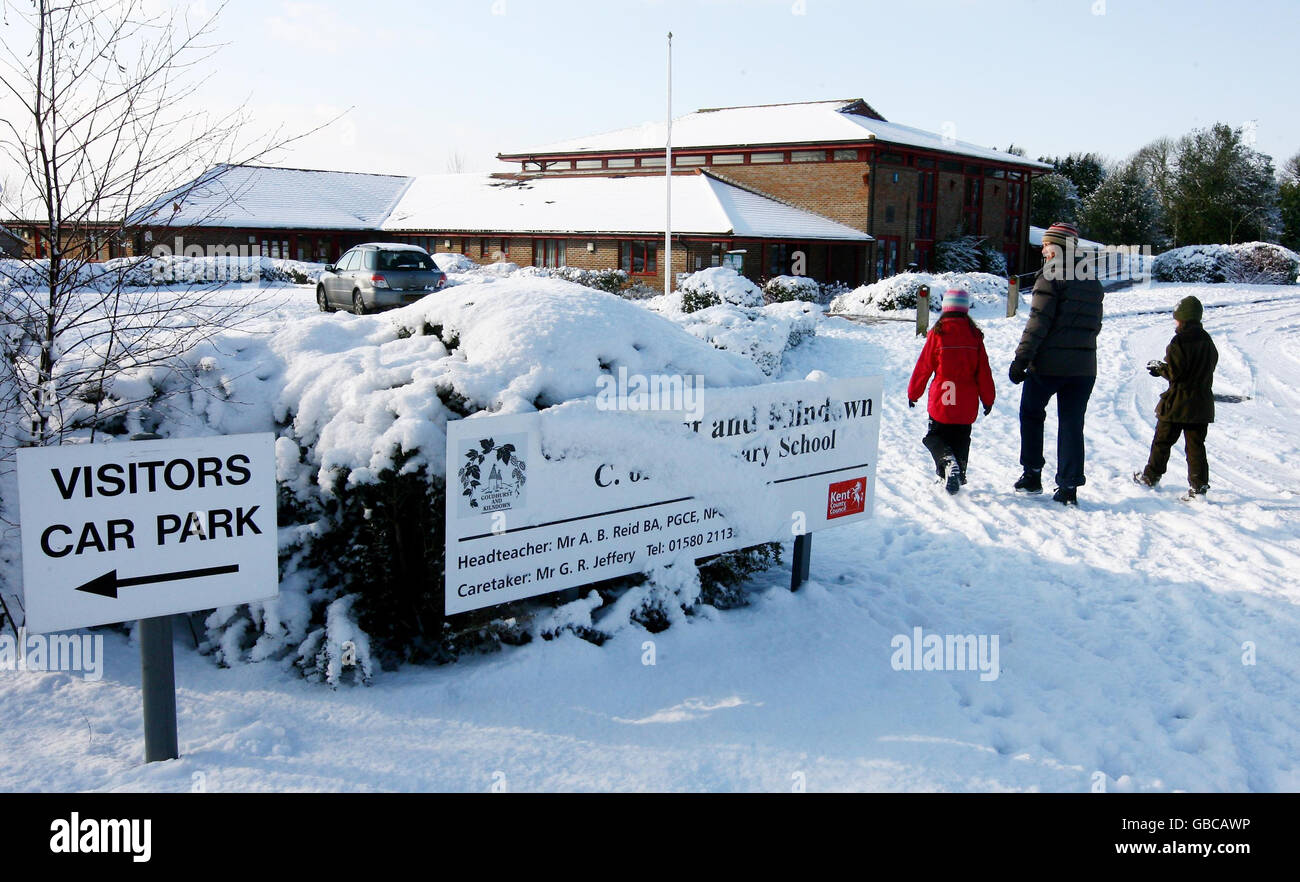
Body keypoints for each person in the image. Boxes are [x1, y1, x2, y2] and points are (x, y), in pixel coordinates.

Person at [1008, 221, 1104, 506]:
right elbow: (1094, 325)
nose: (1042, 250)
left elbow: (1038, 322)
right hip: (1084, 367)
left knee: (1031, 413)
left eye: (1047, 245)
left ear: (1059, 247)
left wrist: (1021, 359)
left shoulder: (1052, 274)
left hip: (1048, 365)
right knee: (1072, 424)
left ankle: (1032, 473)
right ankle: (1068, 487)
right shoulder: (1092, 278)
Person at [907, 289, 996, 494]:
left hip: (943, 398)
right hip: (966, 399)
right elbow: (984, 371)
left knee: (934, 436)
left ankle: (947, 464)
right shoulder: (974, 335)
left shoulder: (938, 333)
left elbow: (924, 367)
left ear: (945, 309)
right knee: (961, 437)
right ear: (966, 310)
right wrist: (988, 399)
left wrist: (914, 393)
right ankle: (958, 472)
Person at [1133, 295, 1218, 499]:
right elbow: (1210, 364)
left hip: (1178, 403)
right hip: (1201, 403)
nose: (1175, 321)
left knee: (1162, 441)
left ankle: (1150, 476)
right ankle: (1199, 487)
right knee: (1196, 446)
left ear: (1183, 319)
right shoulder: (1207, 339)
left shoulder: (1179, 340)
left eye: (1177, 318)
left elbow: (1175, 373)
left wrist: (1160, 369)